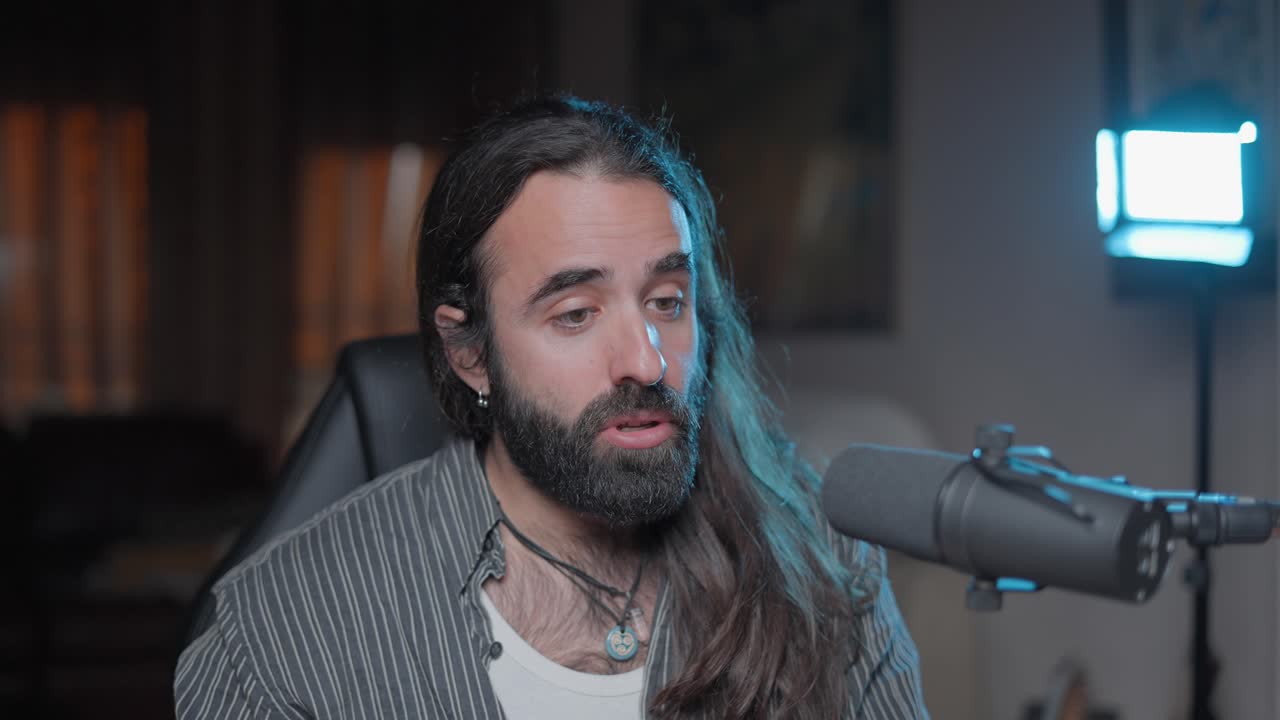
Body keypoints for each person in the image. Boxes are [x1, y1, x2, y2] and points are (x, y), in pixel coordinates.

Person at [174, 96, 928, 719]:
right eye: (575, 314)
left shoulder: (826, 567)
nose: (646, 362)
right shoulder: (281, 631)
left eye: (667, 301)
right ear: (470, 354)